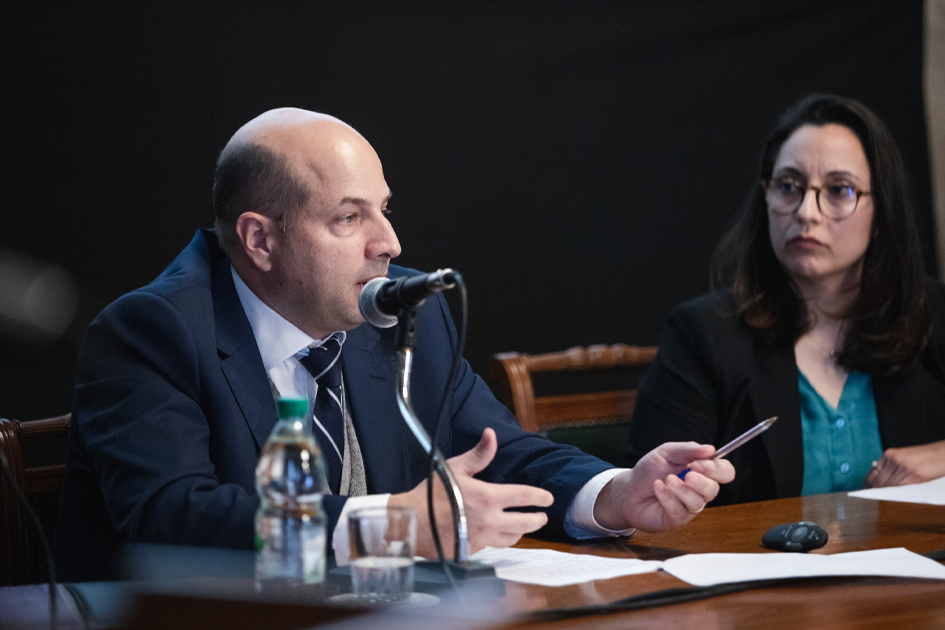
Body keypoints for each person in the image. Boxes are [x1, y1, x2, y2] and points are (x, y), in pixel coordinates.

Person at [54, 108, 734, 581]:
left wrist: (612, 492)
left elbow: (499, 453)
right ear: (260, 239)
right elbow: (169, 518)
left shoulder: (401, 310)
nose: (390, 244)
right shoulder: (152, 330)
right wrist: (389, 524)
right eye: (349, 217)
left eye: (384, 209)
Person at [627, 94, 945, 506]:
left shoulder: (934, 315)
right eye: (788, 187)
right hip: (760, 570)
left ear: (882, 211)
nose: (807, 212)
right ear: (766, 197)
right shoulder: (703, 336)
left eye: (838, 190)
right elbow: (649, 501)